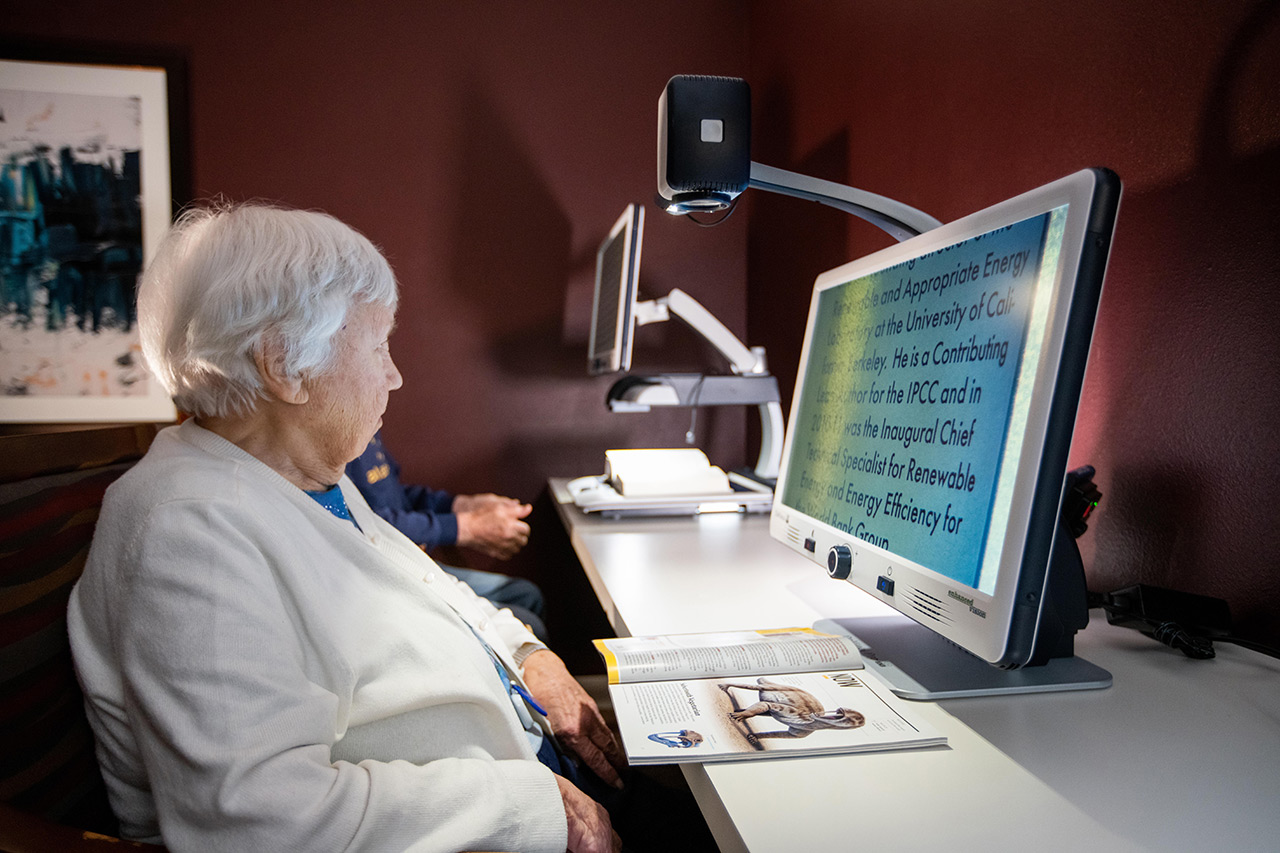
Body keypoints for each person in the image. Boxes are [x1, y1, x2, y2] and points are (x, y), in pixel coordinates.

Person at [67, 203, 625, 853]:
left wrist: (532, 658)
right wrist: (531, 806)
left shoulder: (301, 475)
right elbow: (259, 822)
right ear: (284, 364)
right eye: (377, 343)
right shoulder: (186, 534)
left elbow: (430, 586)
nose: (393, 374)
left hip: (519, 765)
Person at [347, 431, 549, 642]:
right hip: (388, 572)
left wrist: (460, 506)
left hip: (417, 560)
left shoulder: (368, 426)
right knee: (529, 625)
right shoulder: (334, 446)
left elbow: (393, 497)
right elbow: (364, 523)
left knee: (527, 595)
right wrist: (466, 527)